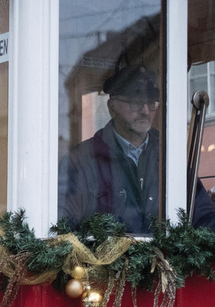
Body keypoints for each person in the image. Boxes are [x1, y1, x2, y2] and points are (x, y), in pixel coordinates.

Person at [58, 65, 215, 233]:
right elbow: (63, 227)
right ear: (112, 108)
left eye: (150, 103)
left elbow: (203, 216)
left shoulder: (168, 156)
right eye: (135, 103)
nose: (145, 111)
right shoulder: (81, 160)